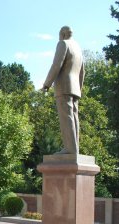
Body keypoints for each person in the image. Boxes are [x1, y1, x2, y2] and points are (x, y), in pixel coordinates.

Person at [42, 25, 85, 155]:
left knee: (66, 117)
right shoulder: (78, 48)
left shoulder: (63, 44)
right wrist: (79, 88)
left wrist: (47, 84)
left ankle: (70, 149)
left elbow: (56, 65)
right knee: (74, 117)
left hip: (64, 86)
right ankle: (74, 148)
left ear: (63, 34)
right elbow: (83, 71)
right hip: (75, 88)